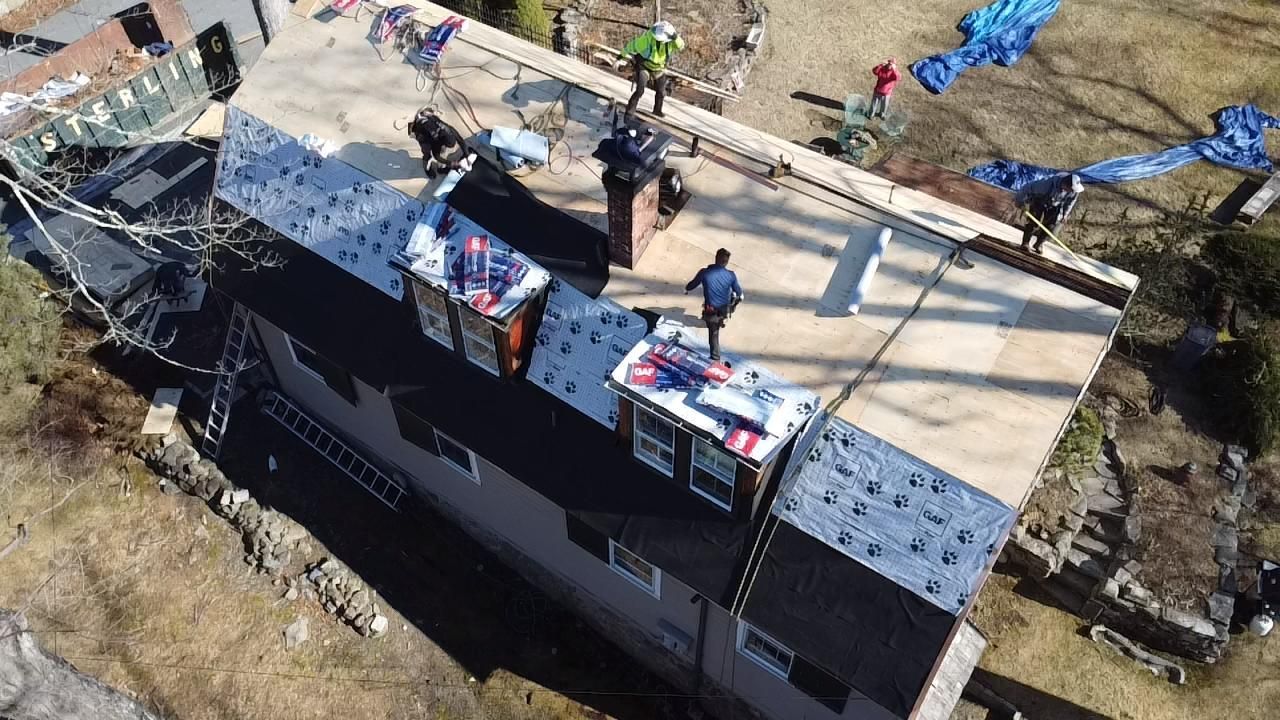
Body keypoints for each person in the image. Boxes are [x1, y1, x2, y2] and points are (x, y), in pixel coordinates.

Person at [617, 21, 686, 119]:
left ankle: (657, 110)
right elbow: (632, 46)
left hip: (658, 68)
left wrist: (676, 37)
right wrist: (620, 56)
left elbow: (681, 46)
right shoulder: (647, 39)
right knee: (640, 90)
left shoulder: (671, 43)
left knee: (661, 91)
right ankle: (630, 110)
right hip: (644, 66)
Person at [685, 248, 743, 361]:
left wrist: (686, 289)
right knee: (731, 294)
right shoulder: (731, 275)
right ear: (726, 262)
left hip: (711, 312)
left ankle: (715, 358)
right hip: (725, 309)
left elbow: (693, 284)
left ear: (716, 258)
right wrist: (738, 298)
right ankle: (724, 318)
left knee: (713, 334)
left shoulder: (704, 273)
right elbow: (739, 292)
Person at [1014, 173, 1084, 254]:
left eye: (1073, 190)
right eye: (1071, 189)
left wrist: (1065, 214)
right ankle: (1025, 243)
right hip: (1039, 200)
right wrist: (1019, 200)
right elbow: (1028, 187)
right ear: (1065, 184)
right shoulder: (1046, 184)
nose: (1072, 191)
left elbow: (1070, 202)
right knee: (1033, 222)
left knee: (1051, 226)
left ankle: (1038, 244)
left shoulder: (1074, 191)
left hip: (1055, 204)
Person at [408, 108, 465, 179]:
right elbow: (436, 156)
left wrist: (466, 154)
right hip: (422, 135)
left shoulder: (446, 129)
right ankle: (427, 169)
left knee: (442, 150)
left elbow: (460, 139)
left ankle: (441, 168)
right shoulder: (424, 137)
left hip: (430, 128)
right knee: (427, 154)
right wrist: (450, 163)